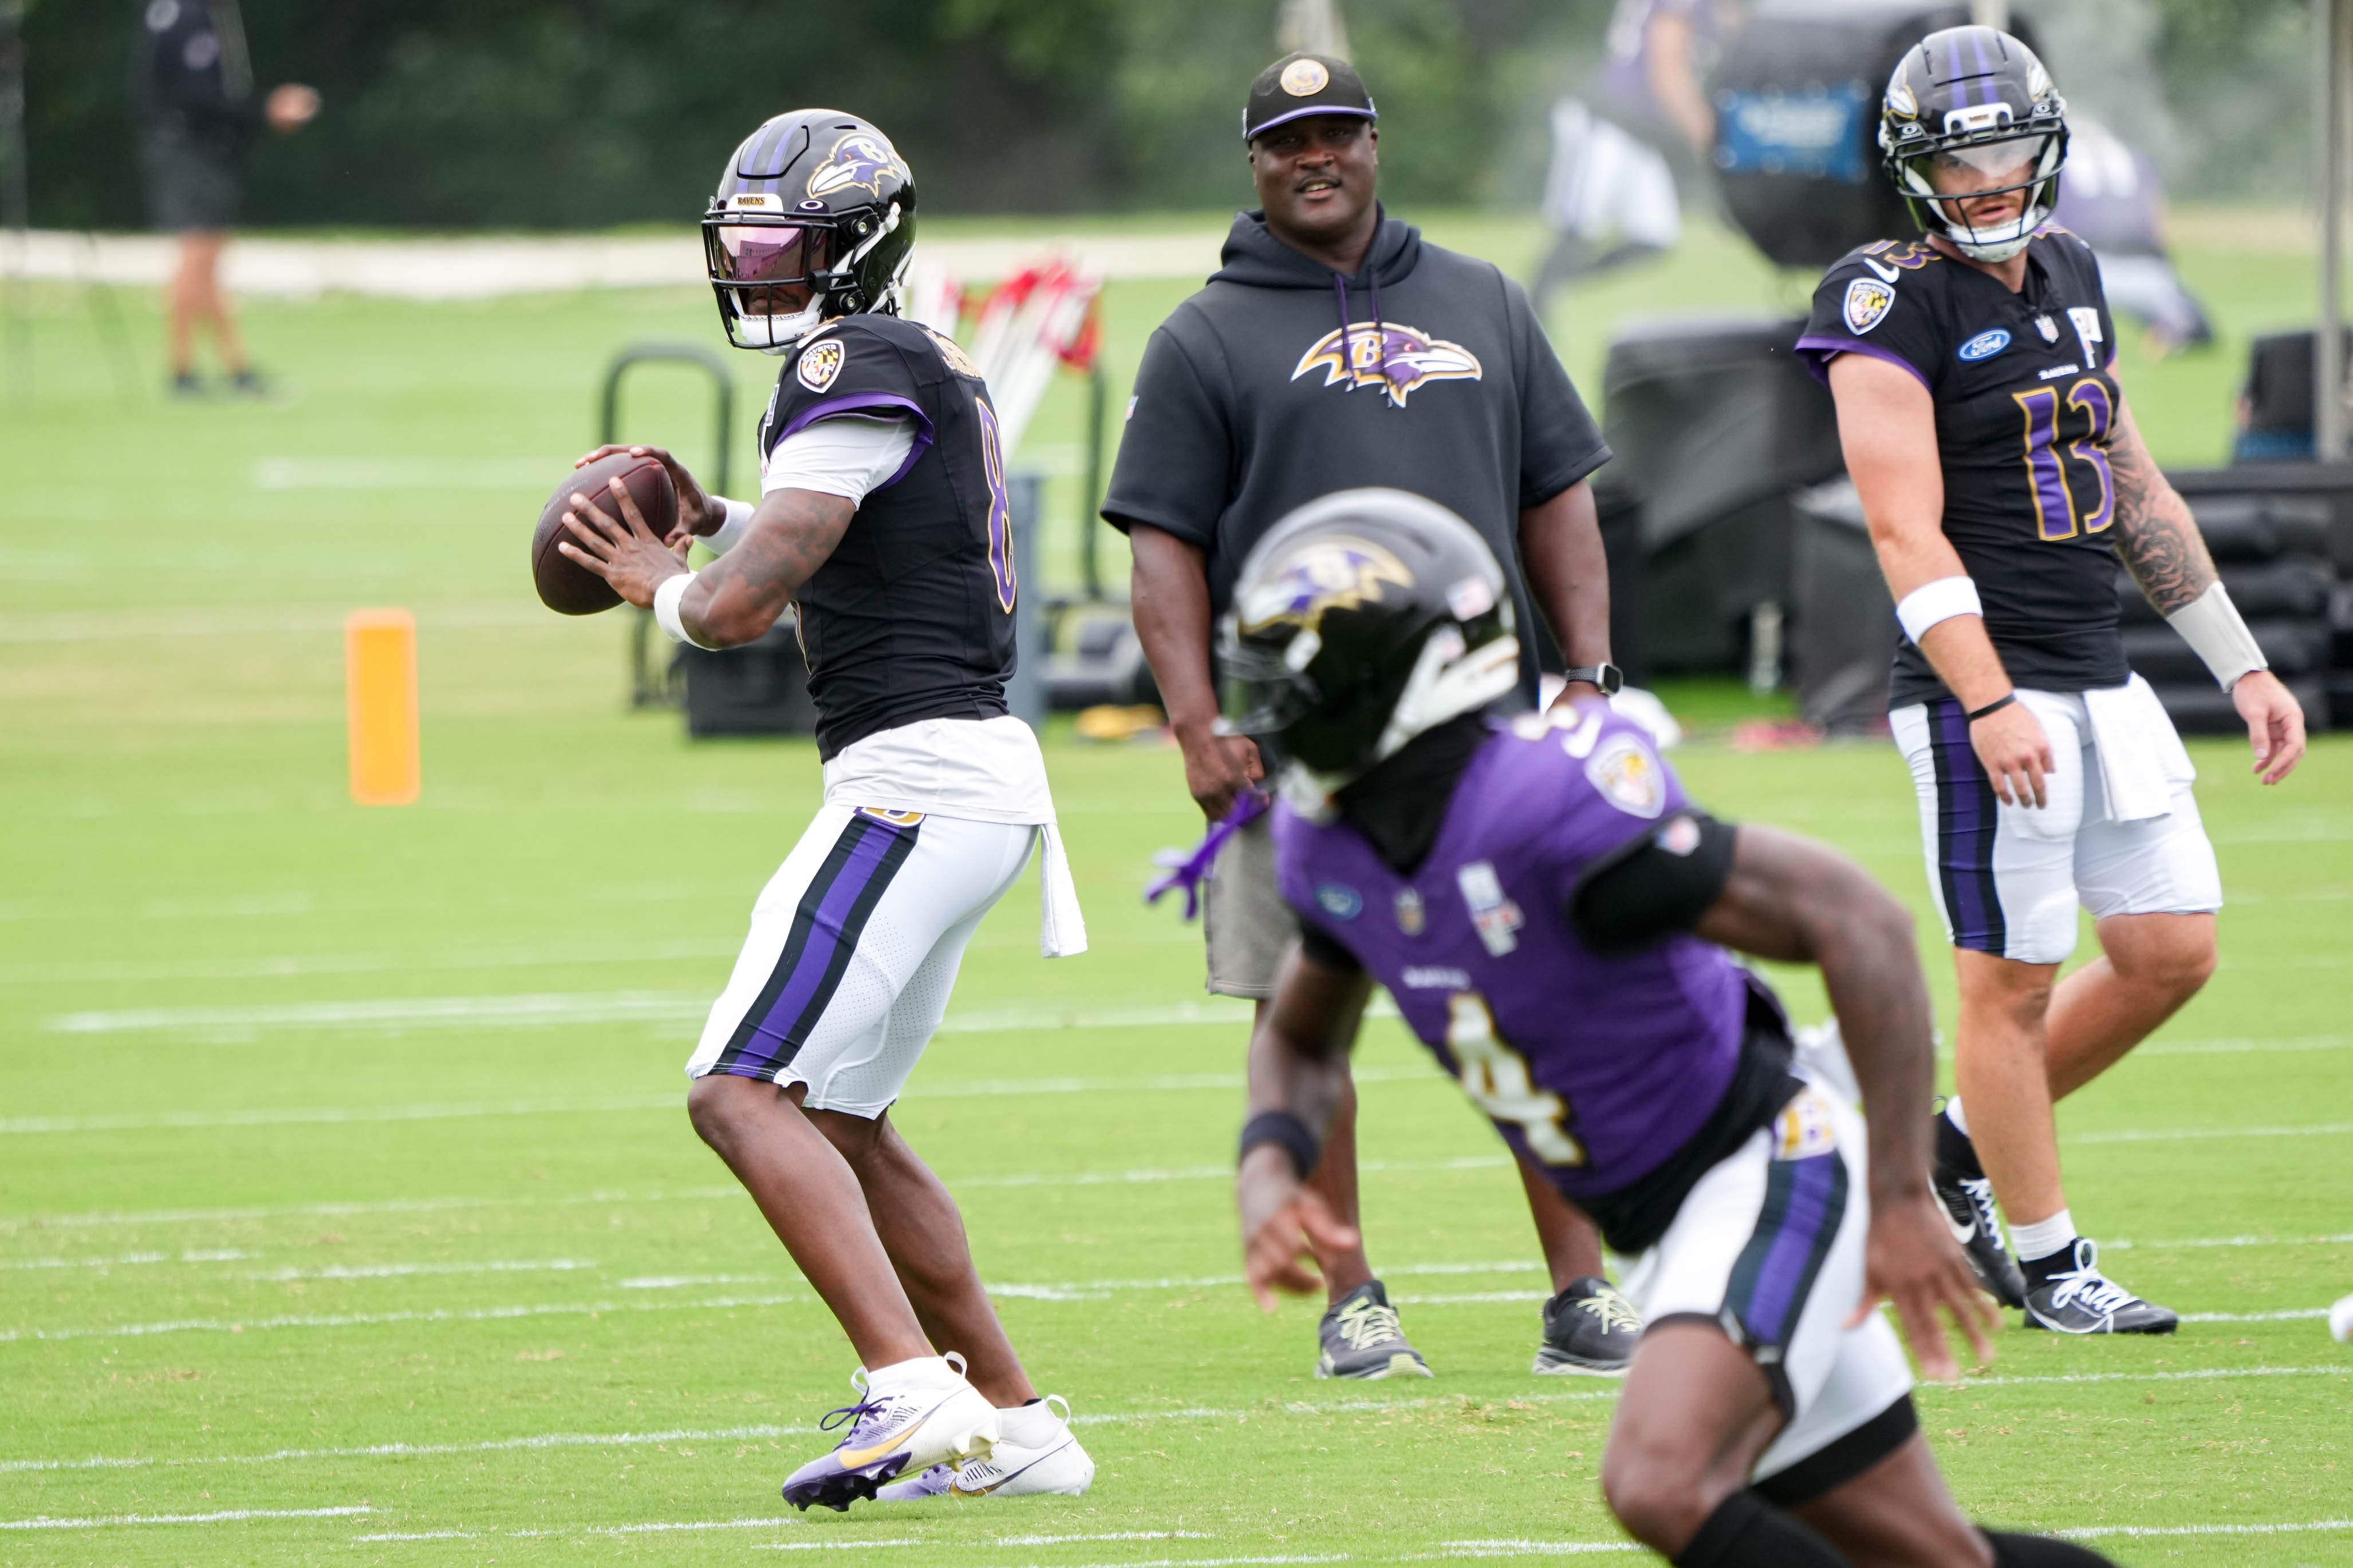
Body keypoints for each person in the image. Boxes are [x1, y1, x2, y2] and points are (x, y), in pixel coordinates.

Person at [1229, 488, 2125, 1568]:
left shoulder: (1545, 807)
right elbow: (1299, 1034)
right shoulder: (1332, 845)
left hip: (1770, 1164)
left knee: (1655, 1479)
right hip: (1670, 1220)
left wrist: (1896, 1190)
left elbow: (1859, 922)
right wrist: (1268, 1168)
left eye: (1304, 687)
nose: (1277, 718)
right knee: (1928, 1553)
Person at [553, 109, 1093, 1510]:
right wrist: (719, 505)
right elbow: (856, 525)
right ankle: (1016, 1419)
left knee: (736, 1092)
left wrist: (652, 577)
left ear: (855, 247)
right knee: (843, 1117)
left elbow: (740, 611)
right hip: (966, 777)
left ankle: (912, 1392)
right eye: (742, 248)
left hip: (912, 786)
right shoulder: (917, 361)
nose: (757, 272)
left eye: (780, 248)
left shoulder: (852, 360)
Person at [1104, 50, 1641, 1383]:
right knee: (1308, 1017)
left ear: (1374, 141)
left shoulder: (1484, 300)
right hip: (1295, 752)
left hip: (1488, 741)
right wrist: (1190, 722)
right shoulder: (1203, 337)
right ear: (1256, 161)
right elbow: (1161, 546)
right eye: (1289, 140)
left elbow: (1558, 492)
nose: (1316, 155)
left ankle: (1582, 1289)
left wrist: (1590, 675)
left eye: (1337, 130)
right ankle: (1355, 1297)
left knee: (1536, 1002)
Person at [1796, 27, 2306, 1334]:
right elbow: (1903, 524)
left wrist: (2239, 661)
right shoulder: (1880, 296)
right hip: (1986, 683)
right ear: (1917, 169)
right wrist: (1983, 695)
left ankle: (1945, 1150)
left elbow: (2133, 486)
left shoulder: (2075, 268)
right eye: (1960, 157)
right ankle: (2052, 1262)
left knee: (2171, 948)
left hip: (2100, 666)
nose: (1987, 179)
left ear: (2049, 145)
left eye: (2006, 148)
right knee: (2012, 981)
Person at [133, 0, 317, 397]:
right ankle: (181, 371)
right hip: (191, 151)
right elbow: (199, 96)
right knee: (197, 254)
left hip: (187, 147)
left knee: (208, 260)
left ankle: (236, 368)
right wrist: (266, 112)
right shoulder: (191, 16)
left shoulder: (172, 10)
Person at [1530, 0, 1735, 314]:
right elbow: (1667, 74)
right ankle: (1529, 314)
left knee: (1654, 239)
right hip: (1605, 120)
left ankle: (1546, 290)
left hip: (1641, 135)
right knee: (1579, 231)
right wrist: (1711, 140)